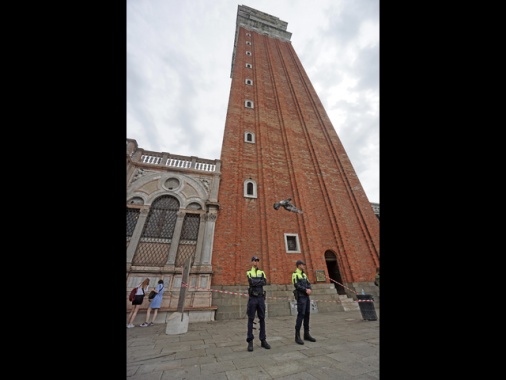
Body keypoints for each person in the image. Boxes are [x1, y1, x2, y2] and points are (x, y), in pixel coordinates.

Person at [246, 256, 270, 351]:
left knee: (262, 318)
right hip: (252, 298)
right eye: (254, 261)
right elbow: (251, 282)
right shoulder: (248, 272)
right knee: (251, 319)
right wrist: (258, 282)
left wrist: (257, 282)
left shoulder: (262, 272)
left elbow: (264, 282)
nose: (256, 262)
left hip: (260, 298)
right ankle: (250, 341)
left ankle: (263, 340)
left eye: (257, 261)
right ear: (251, 262)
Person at [292, 260, 316, 344]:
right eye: (302, 265)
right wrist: (305, 289)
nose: (303, 266)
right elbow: (296, 285)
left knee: (307, 314)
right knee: (301, 314)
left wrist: (309, 289)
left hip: (306, 297)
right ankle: (297, 336)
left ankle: (306, 334)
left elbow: (308, 283)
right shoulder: (295, 274)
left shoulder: (304, 275)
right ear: (298, 265)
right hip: (301, 297)